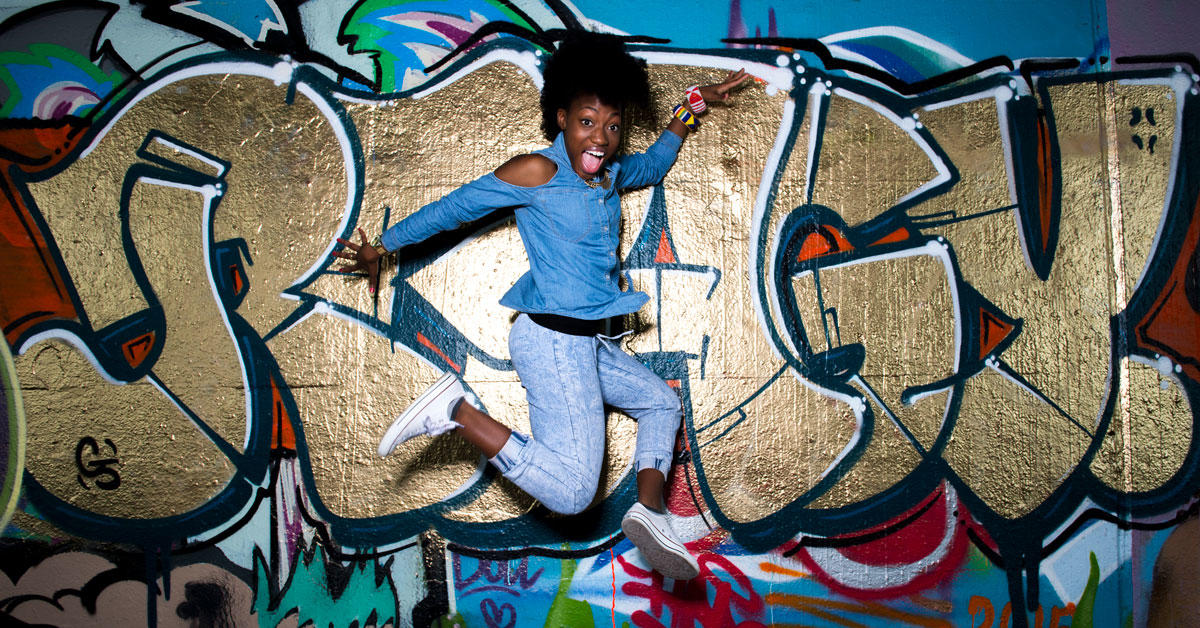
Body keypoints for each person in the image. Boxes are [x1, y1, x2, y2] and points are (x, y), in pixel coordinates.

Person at [334, 31, 748, 581]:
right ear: (561, 118)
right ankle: (456, 411)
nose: (600, 137)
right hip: (553, 340)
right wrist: (382, 248)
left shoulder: (608, 176)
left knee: (660, 404)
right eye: (587, 121)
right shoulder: (537, 172)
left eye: (613, 125)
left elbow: (651, 166)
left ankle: (650, 513)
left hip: (588, 343)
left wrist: (689, 109)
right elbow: (454, 209)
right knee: (574, 492)